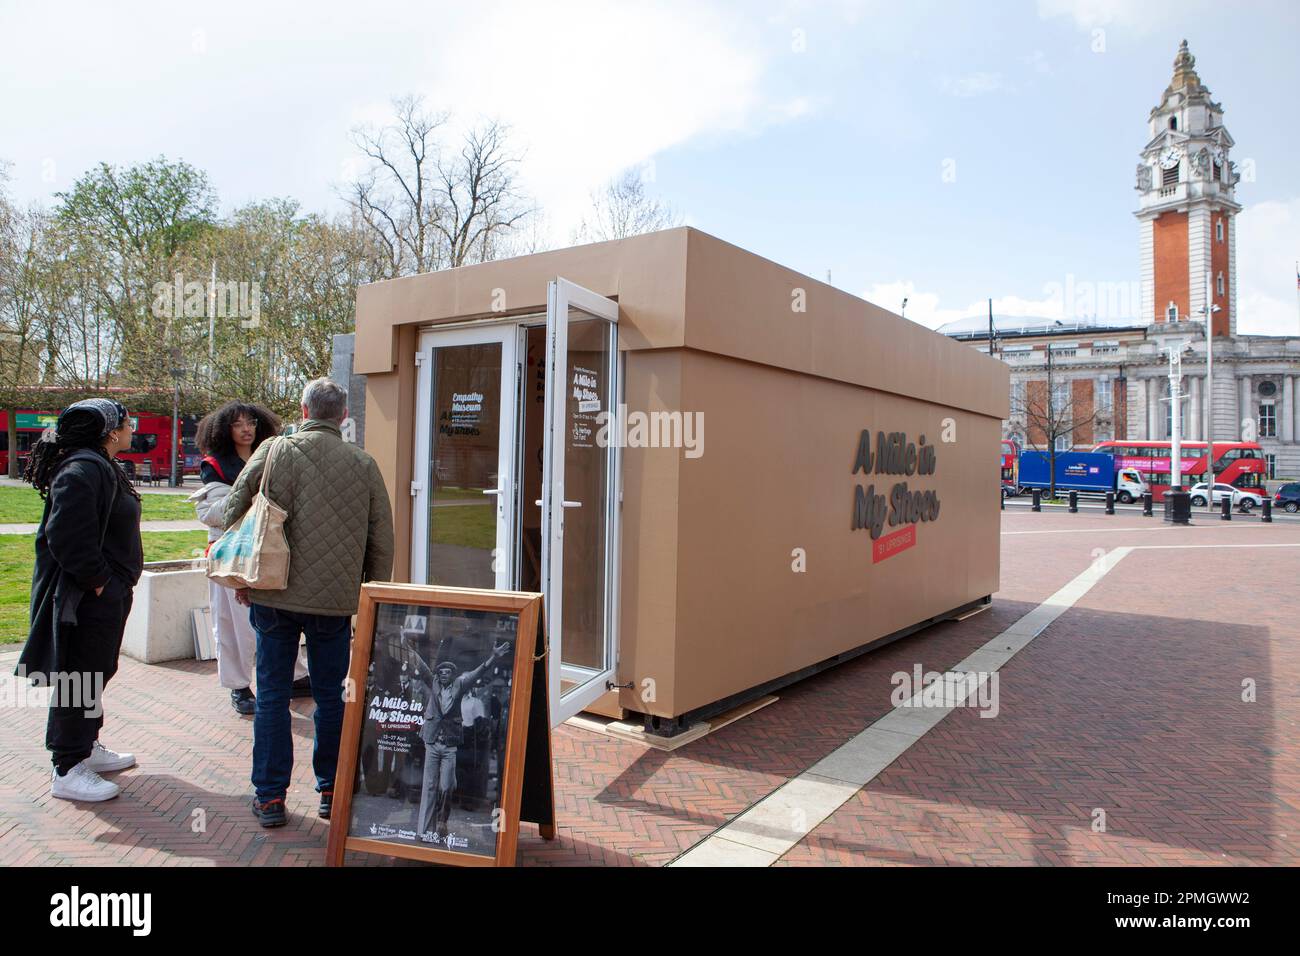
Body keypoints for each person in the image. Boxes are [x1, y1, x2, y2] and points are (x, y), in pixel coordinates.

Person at [223, 378, 394, 827]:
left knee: (273, 696)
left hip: (274, 594)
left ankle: (270, 796)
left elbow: (232, 511)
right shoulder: (364, 464)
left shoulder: (274, 451)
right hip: (334, 605)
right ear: (342, 417)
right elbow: (382, 542)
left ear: (303, 410)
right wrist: (371, 601)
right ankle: (332, 790)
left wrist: (244, 575)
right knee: (332, 698)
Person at [17, 399, 143, 802]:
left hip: (105, 594)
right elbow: (66, 536)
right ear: (112, 431)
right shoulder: (83, 469)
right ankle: (67, 767)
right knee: (80, 678)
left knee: (96, 671)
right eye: (128, 423)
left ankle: (85, 746)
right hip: (85, 598)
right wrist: (99, 582)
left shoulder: (98, 464)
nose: (131, 428)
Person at [190, 401, 310, 715]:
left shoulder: (270, 456)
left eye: (251, 423)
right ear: (224, 430)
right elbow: (213, 515)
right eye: (238, 424)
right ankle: (238, 685)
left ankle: (295, 676)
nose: (246, 429)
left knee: (283, 616)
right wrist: (250, 494)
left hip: (270, 549)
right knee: (233, 623)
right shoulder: (214, 465)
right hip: (233, 553)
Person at [403, 636, 509, 842]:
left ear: (453, 675)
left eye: (447, 673)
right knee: (429, 786)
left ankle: (442, 819)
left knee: (446, 786)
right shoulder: (432, 683)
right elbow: (423, 667)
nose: (443, 675)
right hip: (433, 742)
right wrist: (408, 649)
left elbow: (478, 673)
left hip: (450, 745)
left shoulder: (460, 686)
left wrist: (492, 658)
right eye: (440, 672)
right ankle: (423, 831)